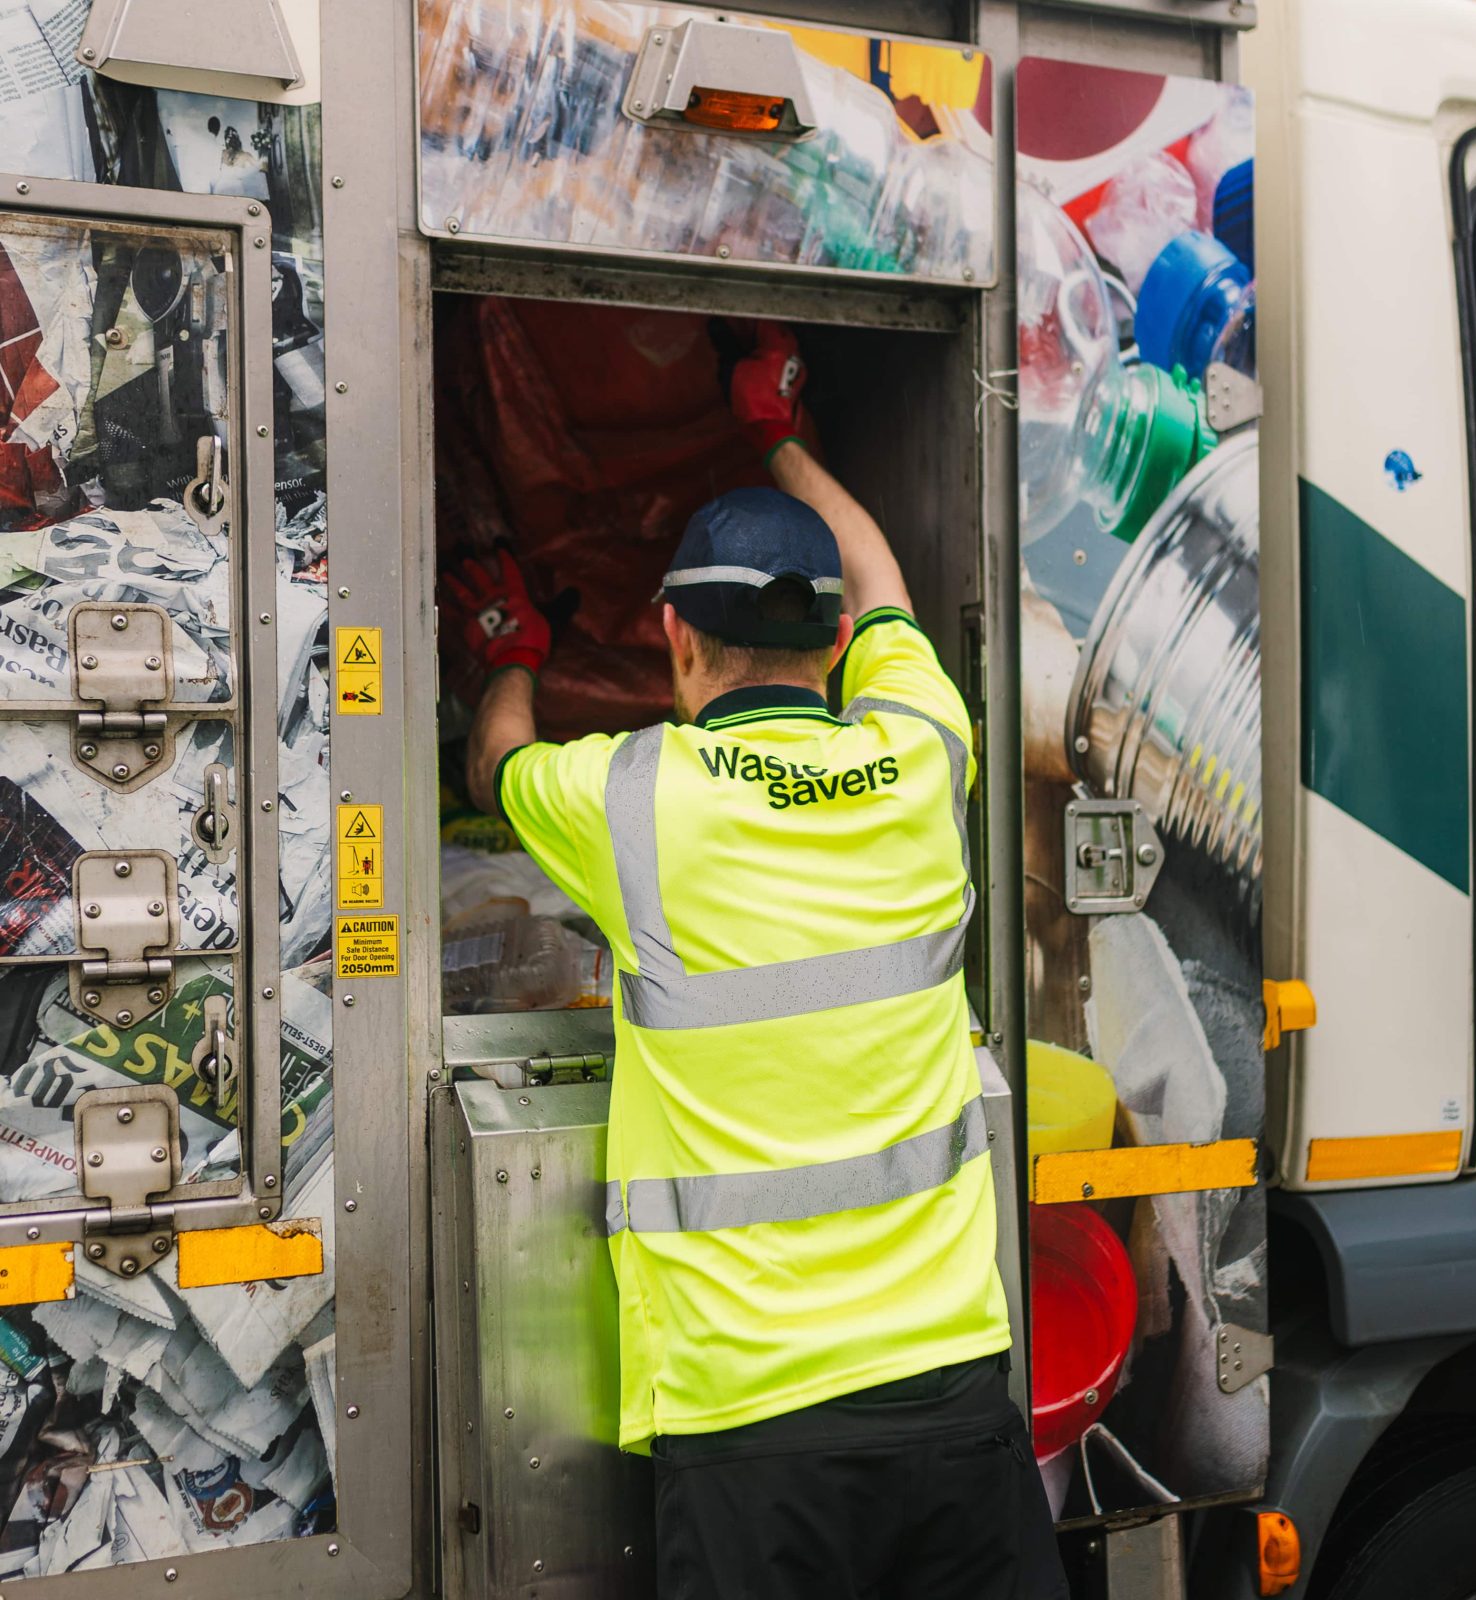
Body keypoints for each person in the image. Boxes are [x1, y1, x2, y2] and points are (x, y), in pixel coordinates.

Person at [451, 321, 1066, 1599]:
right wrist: (779, 436)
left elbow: (493, 766)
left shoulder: (629, 798)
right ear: (836, 647)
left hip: (747, 1425)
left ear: (675, 640)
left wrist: (510, 649)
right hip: (955, 1391)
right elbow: (888, 582)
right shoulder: (920, 755)